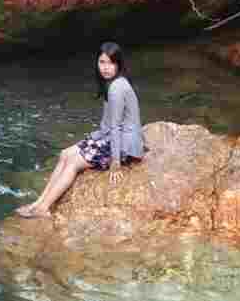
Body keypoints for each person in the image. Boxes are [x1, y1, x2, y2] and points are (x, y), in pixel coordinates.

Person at [16, 41, 144, 219]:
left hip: (124, 146)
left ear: (119, 64)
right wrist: (91, 139)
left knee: (74, 163)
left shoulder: (116, 87)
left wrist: (116, 163)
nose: (106, 68)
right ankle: (38, 202)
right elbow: (107, 125)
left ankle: (43, 208)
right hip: (113, 136)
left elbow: (115, 128)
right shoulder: (111, 83)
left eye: (111, 63)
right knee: (65, 153)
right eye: (102, 62)